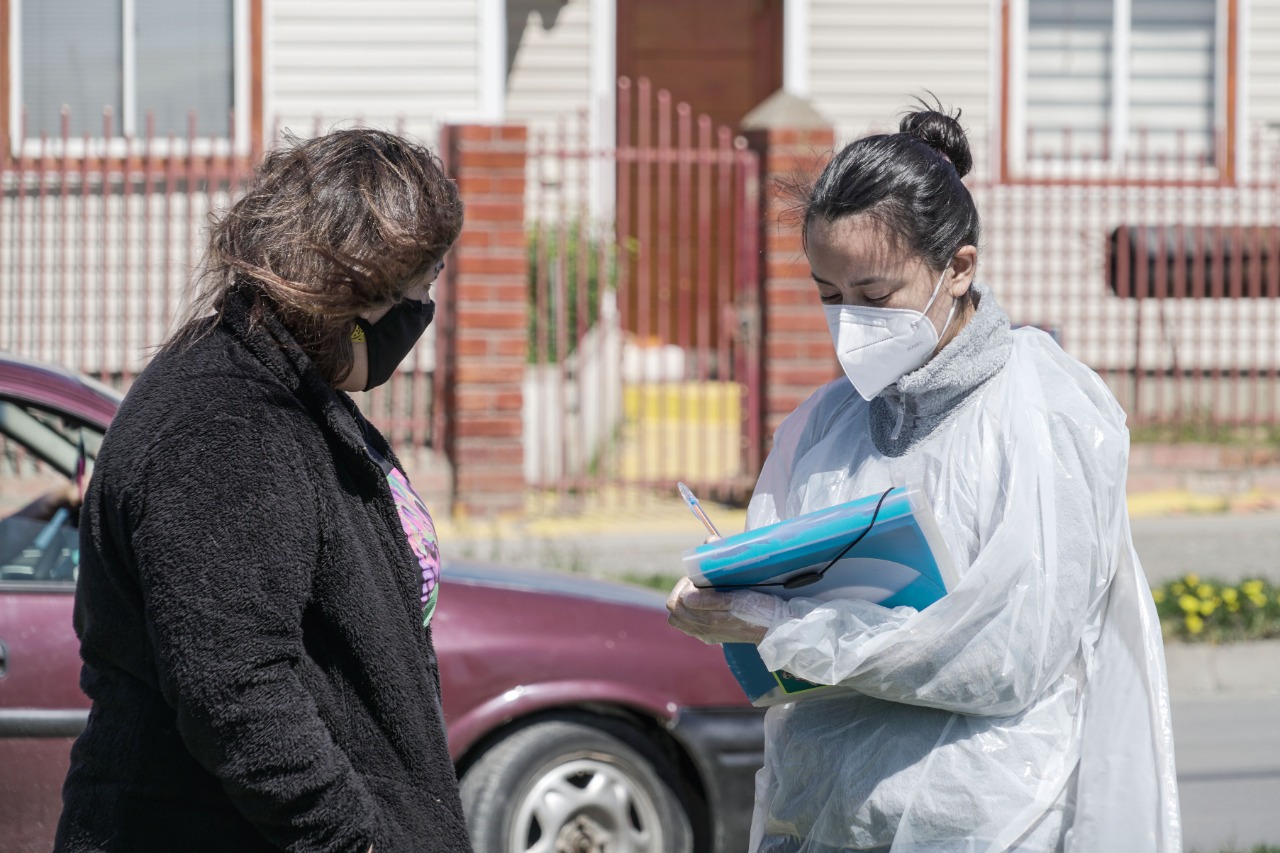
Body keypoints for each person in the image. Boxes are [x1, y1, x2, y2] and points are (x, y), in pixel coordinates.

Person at [667, 104, 1180, 852]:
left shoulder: (1043, 410)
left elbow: (1007, 655)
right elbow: (774, 604)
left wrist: (784, 628)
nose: (850, 322)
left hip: (991, 824)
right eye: (828, 296)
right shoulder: (824, 424)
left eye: (875, 297)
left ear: (959, 268)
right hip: (824, 817)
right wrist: (727, 601)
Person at [56, 129, 473, 852]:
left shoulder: (290, 386)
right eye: (423, 281)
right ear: (358, 282)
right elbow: (236, 690)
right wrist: (357, 840)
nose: (427, 307)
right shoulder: (222, 423)